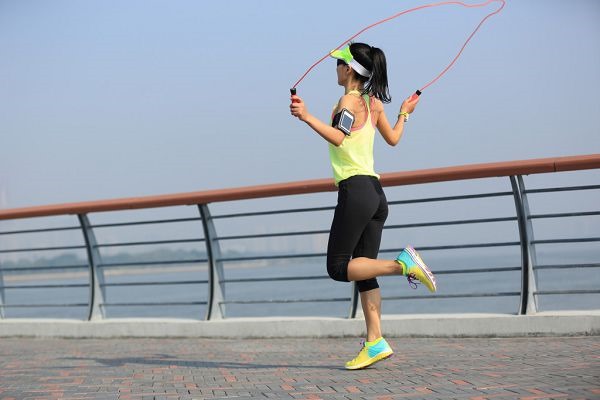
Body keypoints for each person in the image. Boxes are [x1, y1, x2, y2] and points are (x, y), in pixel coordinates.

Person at [289, 42, 437, 370]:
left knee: (339, 267)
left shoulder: (348, 101)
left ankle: (403, 265)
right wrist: (404, 113)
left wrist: (306, 116)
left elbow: (340, 137)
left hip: (355, 191)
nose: (337, 68)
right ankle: (375, 342)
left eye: (340, 64)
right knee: (363, 270)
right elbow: (394, 139)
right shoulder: (373, 104)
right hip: (375, 194)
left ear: (350, 70)